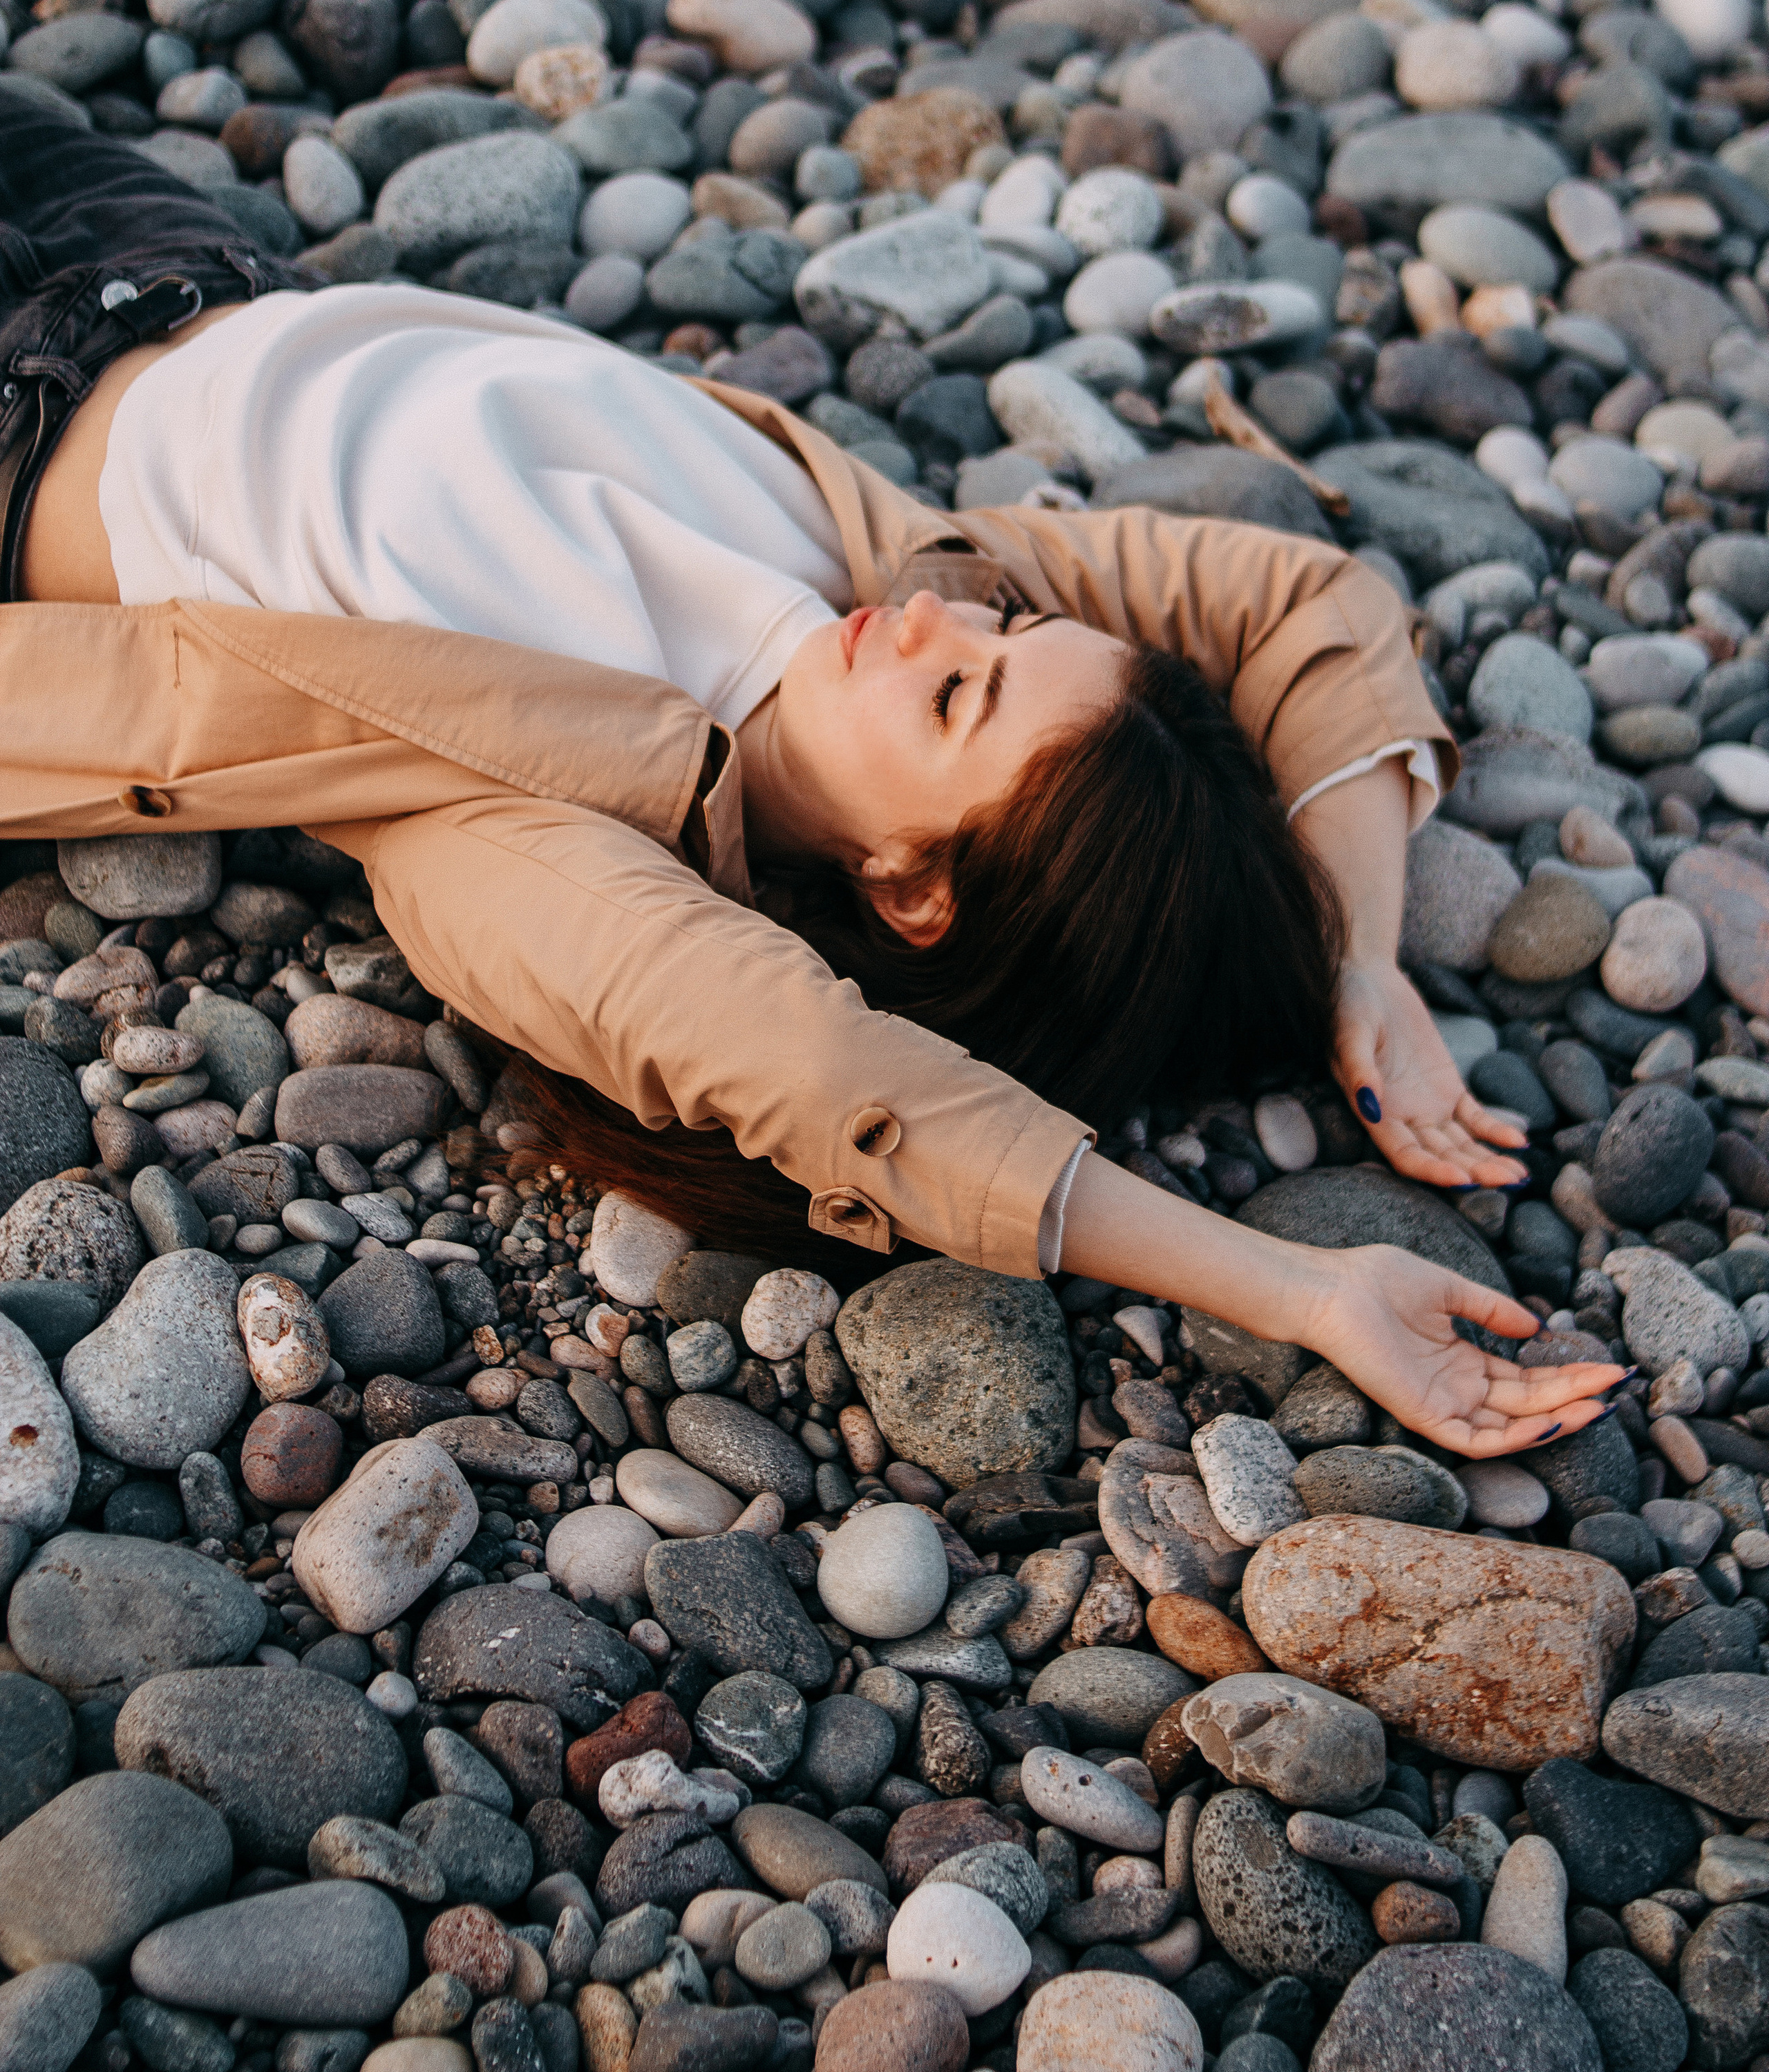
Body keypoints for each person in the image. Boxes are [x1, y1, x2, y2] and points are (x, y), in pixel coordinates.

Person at [0, 97, 1622, 1457]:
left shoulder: (550, 849)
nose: (935, 624)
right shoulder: (872, 564)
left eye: (959, 700)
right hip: (167, 253)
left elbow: (827, 1072)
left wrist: (1301, 1289)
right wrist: (1359, 958)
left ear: (907, 886)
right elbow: (1304, 602)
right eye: (1013, 628)